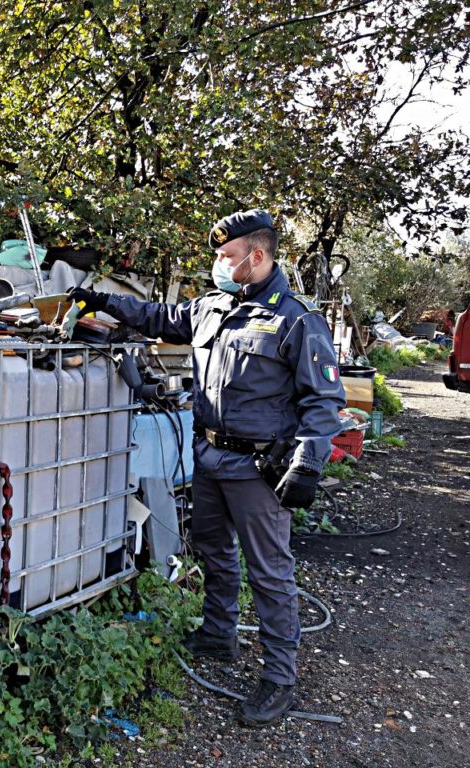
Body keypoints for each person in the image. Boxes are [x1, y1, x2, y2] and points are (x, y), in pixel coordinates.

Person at [69, 209, 346, 727]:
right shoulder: (212, 306)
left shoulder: (295, 320)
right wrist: (105, 302)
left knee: (270, 574)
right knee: (214, 551)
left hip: (260, 469)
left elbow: (324, 400)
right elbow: (158, 317)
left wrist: (307, 465)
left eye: (226, 257)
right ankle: (219, 634)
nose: (218, 264)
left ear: (256, 257)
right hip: (210, 458)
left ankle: (279, 678)